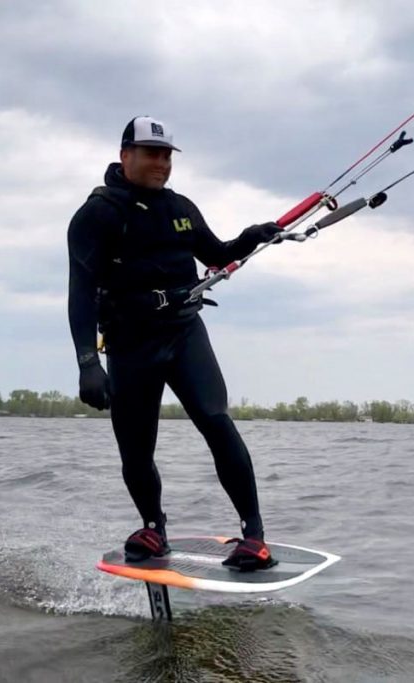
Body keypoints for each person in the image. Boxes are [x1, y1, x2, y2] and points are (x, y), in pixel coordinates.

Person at [67, 115, 282, 571]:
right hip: (130, 343)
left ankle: (254, 535)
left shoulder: (181, 207)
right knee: (136, 447)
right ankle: (153, 528)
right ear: (126, 155)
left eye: (167, 155)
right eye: (152, 154)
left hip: (184, 334)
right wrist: (88, 361)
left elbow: (218, 254)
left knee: (216, 421)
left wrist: (250, 237)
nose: (162, 163)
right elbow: (80, 291)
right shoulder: (97, 215)